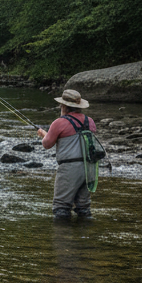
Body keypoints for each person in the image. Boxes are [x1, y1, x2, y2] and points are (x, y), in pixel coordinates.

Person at [37, 88, 96, 220]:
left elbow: (47, 144)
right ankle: (85, 237)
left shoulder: (59, 122)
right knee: (84, 209)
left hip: (69, 168)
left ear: (63, 106)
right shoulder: (90, 121)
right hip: (88, 168)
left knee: (61, 208)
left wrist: (43, 134)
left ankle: (63, 238)